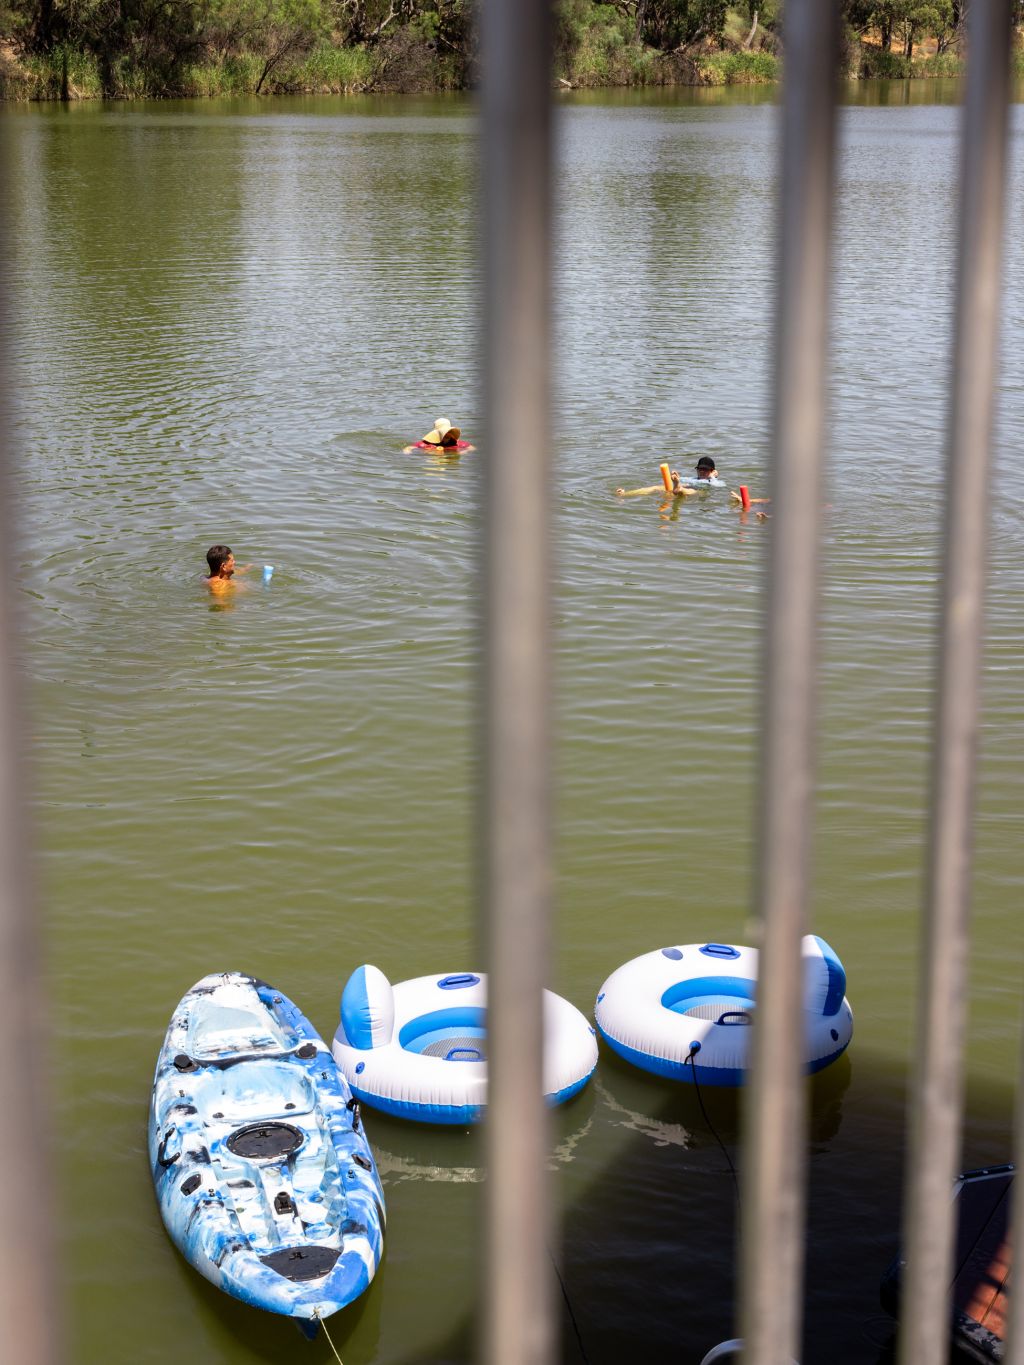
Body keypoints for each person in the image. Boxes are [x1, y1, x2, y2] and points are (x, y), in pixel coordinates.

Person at [403, 418, 475, 454]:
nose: (447, 434)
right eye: (444, 432)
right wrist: (408, 452)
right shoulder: (425, 444)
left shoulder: (456, 443)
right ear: (437, 434)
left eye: (449, 432)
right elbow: (408, 448)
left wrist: (463, 452)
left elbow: (472, 448)